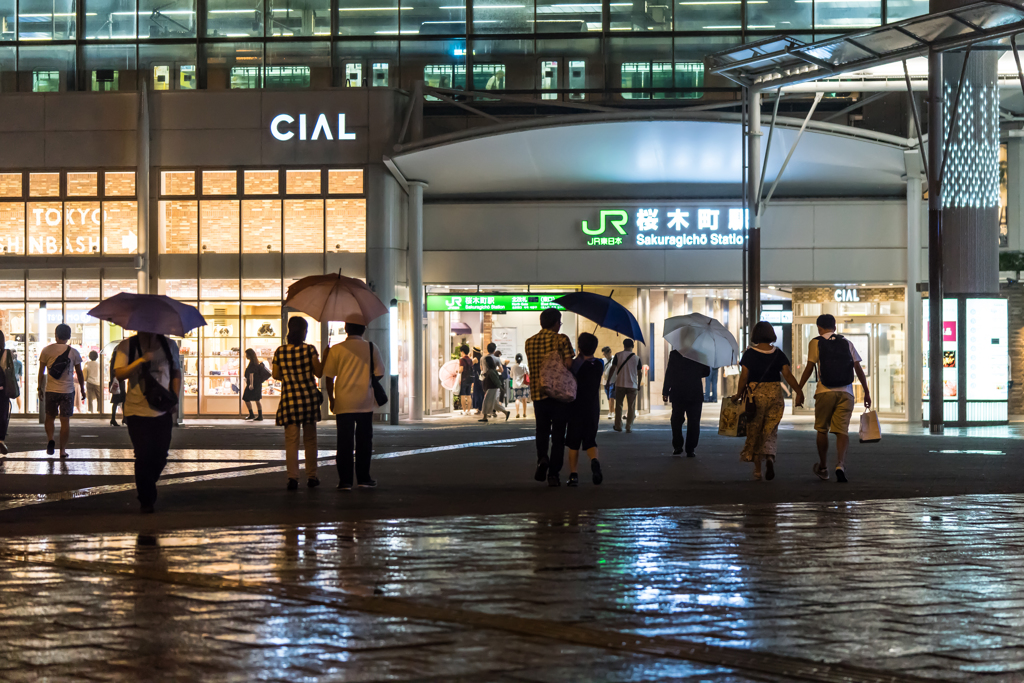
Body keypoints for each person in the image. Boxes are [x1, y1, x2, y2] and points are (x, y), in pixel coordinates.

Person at [796, 313, 871, 483]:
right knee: (842, 431)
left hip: (824, 391)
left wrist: (799, 389)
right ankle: (840, 464)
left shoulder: (815, 342)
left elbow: (809, 368)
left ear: (819, 327)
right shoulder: (846, 342)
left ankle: (823, 466)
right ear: (835, 327)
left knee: (822, 429)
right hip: (846, 393)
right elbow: (858, 368)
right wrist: (866, 391)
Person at [113, 331, 181, 514]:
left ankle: (147, 484)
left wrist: (175, 398)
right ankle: (146, 499)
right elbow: (119, 374)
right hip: (136, 409)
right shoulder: (128, 346)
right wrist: (142, 360)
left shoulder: (169, 345)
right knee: (143, 455)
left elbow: (176, 372)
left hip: (163, 409)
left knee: (161, 455)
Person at [731, 321, 803, 481]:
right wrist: (798, 391)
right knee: (770, 430)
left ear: (755, 335)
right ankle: (770, 457)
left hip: (755, 396)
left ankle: (757, 470)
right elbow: (787, 374)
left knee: (755, 429)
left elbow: (744, 376)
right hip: (775, 394)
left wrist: (738, 394)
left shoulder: (749, 354)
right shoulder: (778, 353)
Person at [323, 322, 385, 490]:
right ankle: (364, 478)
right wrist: (365, 379)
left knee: (344, 443)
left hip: (343, 402)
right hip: (365, 401)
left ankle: (345, 481)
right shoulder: (371, 347)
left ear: (346, 329)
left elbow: (328, 377)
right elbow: (380, 372)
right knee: (365, 442)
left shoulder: (336, 349)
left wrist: (331, 398)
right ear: (363, 329)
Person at [524, 308, 574, 486]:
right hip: (559, 395)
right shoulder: (562, 339)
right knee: (559, 436)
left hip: (539, 394)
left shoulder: (529, 342)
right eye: (559, 323)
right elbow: (568, 364)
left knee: (542, 431)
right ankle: (553, 474)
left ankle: (542, 458)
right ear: (555, 323)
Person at [272, 317, 323, 491]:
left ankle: (292, 478)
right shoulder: (310, 350)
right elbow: (318, 372)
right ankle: (312, 476)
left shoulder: (280, 351)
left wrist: (289, 376)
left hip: (290, 400)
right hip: (308, 400)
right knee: (310, 440)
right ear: (304, 331)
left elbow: (275, 374)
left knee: (291, 441)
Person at [37, 323, 84, 458]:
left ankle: (50, 439)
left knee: (49, 417)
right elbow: (79, 373)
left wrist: (39, 387)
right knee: (65, 421)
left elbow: (41, 371)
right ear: (69, 336)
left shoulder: (46, 350)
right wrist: (82, 389)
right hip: (67, 391)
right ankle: (62, 450)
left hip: (51, 390)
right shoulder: (74, 352)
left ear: (55, 335)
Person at [566, 333, 604, 487]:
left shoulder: (575, 365)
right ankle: (594, 462)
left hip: (576, 407)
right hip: (592, 408)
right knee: (590, 440)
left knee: (573, 443)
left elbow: (570, 369)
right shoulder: (600, 364)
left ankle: (574, 475)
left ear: (580, 347)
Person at [663, 349, 710, 457]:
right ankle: (690, 448)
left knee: (676, 420)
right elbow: (706, 372)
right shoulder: (700, 354)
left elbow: (669, 372)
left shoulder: (674, 354)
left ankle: (678, 446)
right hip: (695, 392)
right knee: (694, 421)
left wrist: (666, 391)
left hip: (678, 391)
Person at [610, 339, 641, 433]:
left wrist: (608, 380)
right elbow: (640, 373)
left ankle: (618, 425)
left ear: (624, 345)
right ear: (633, 346)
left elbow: (613, 368)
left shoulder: (618, 355)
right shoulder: (637, 358)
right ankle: (629, 426)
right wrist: (638, 384)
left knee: (618, 405)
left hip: (620, 384)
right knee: (631, 406)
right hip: (632, 385)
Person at [479, 356, 509, 423]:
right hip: (494, 388)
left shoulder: (491, 371)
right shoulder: (492, 370)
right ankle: (506, 412)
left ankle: (485, 417)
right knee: (495, 404)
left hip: (492, 389)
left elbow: (496, 381)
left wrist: (500, 387)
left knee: (486, 402)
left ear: (487, 363)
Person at [242, 348, 266, 422]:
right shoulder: (256, 363)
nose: (246, 356)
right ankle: (259, 415)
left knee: (246, 398)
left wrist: (251, 384)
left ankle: (252, 414)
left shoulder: (252, 364)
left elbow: (251, 374)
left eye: (247, 354)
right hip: (257, 383)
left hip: (253, 384)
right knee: (257, 399)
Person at [0, 332, 13, 454]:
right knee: (3, 414)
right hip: (2, 389)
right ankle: (1, 440)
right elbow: (10, 370)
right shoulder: (6, 353)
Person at [109, 353, 126, 426]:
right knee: (122, 400)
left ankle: (114, 418)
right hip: (119, 383)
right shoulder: (117, 364)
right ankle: (123, 418)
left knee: (117, 401)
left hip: (117, 383)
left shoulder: (113, 363)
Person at [510, 353, 529, 418]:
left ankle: (517, 413)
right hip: (523, 385)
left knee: (517, 399)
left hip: (516, 385)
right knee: (524, 400)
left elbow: (511, 376)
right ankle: (524, 413)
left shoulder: (513, 367)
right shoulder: (524, 366)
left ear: (515, 359)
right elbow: (528, 373)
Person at [457, 345, 474, 415]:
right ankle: (469, 410)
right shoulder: (470, 360)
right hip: (469, 379)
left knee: (463, 395)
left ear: (463, 352)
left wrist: (457, 371)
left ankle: (464, 411)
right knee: (469, 395)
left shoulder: (462, 360)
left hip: (464, 379)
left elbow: (461, 370)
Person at [601, 346, 616, 420]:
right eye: (603, 354)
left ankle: (611, 412)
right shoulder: (603, 360)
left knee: (611, 397)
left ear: (610, 352)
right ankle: (612, 411)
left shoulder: (614, 359)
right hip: (605, 382)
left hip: (613, 381)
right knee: (608, 397)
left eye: (605, 354)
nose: (605, 356)